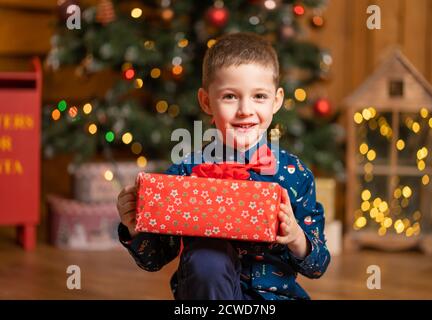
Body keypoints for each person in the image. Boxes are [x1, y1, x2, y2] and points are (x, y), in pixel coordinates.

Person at [116, 32, 330, 300]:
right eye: (230, 96)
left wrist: (297, 237)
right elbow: (154, 259)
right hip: (207, 294)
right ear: (206, 101)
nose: (245, 110)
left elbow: (319, 265)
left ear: (276, 101)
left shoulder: (295, 175)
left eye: (259, 97)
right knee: (207, 258)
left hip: (276, 299)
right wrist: (134, 227)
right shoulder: (187, 172)